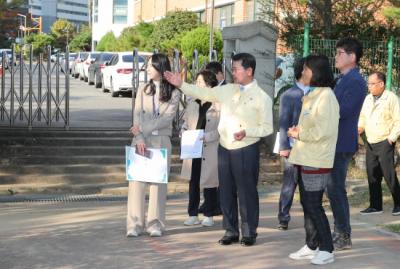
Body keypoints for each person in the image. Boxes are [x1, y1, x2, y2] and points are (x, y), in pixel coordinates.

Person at [165, 53, 273, 247]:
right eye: (233, 67)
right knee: (226, 192)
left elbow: (267, 127)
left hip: (246, 148)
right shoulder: (228, 90)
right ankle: (230, 230)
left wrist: (248, 131)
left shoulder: (261, 97)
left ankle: (249, 232)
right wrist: (181, 84)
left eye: (237, 68)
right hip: (224, 148)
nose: (234, 71)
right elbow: (204, 94)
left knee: (246, 192)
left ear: (249, 71)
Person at [287, 55, 339, 265]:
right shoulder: (314, 94)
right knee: (307, 204)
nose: (302, 73)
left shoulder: (326, 96)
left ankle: (327, 248)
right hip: (305, 156)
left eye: (306, 70)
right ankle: (312, 245)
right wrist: (299, 131)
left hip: (316, 159)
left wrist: (299, 134)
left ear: (316, 72)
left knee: (313, 205)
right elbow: (312, 126)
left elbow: (323, 131)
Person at [126, 53, 181, 237]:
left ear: (161, 68)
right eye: (148, 65)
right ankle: (135, 224)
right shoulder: (143, 89)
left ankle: (155, 224)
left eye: (151, 65)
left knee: (158, 183)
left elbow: (167, 119)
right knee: (137, 182)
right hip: (141, 140)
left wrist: (141, 127)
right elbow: (136, 115)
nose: (147, 68)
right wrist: (139, 136)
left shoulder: (174, 92)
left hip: (161, 141)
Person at [328, 37, 367, 250]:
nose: (336, 56)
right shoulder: (341, 79)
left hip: (341, 143)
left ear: (352, 57)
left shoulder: (356, 81)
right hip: (333, 142)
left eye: (340, 52)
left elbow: (344, 111)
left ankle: (343, 234)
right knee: (332, 189)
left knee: (336, 189)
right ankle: (339, 231)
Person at [181, 70, 220, 227]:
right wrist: (183, 131)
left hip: (209, 146)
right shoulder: (193, 103)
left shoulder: (218, 104)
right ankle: (192, 213)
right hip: (193, 147)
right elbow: (185, 122)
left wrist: (208, 136)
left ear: (209, 84)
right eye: (196, 82)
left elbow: (222, 128)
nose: (196, 85)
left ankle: (209, 214)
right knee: (193, 181)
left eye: (200, 82)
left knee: (209, 182)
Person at [358, 71, 400, 216]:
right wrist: (360, 127)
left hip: (385, 141)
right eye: (368, 83)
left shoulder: (391, 98)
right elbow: (363, 117)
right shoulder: (368, 98)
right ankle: (376, 206)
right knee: (372, 174)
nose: (369, 86)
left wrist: (391, 139)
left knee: (389, 175)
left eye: (371, 83)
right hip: (370, 141)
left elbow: (398, 121)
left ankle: (398, 204)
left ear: (381, 84)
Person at [276, 57, 307, 230]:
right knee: (289, 183)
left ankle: (309, 216)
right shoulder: (289, 95)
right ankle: (283, 217)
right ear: (303, 71)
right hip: (292, 147)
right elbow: (283, 122)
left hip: (311, 148)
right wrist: (284, 146)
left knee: (308, 185)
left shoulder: (317, 94)